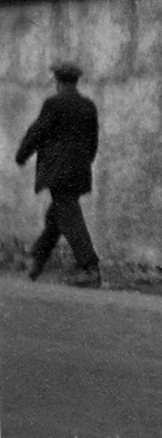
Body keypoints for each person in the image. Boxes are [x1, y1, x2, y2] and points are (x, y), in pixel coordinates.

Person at [15, 61, 102, 287]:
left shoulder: (54, 104)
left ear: (58, 82)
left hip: (58, 172)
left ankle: (90, 267)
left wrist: (22, 155)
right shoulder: (88, 106)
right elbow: (93, 142)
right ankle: (36, 260)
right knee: (57, 218)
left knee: (70, 217)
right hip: (79, 170)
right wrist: (84, 163)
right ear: (75, 81)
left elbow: (38, 131)